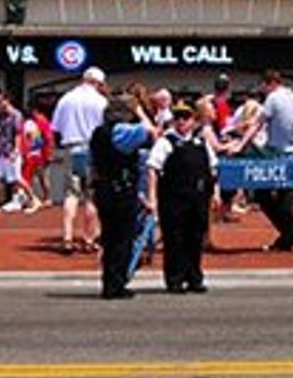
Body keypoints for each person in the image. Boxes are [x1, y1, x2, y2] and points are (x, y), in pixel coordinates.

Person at [146, 98, 216, 291]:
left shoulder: (201, 143)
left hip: (197, 199)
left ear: (194, 120)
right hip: (173, 199)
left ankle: (194, 278)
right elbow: (153, 169)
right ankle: (175, 279)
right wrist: (152, 197)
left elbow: (212, 169)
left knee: (195, 238)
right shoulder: (166, 142)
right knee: (175, 239)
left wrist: (215, 194)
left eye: (186, 117)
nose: (181, 121)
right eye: (178, 117)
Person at [87, 97, 154, 298]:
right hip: (121, 189)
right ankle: (117, 283)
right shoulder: (122, 132)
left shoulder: (98, 133)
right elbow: (150, 131)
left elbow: (91, 164)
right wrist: (140, 112)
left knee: (109, 237)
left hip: (103, 188)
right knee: (123, 237)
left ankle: (110, 281)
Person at [255, 69, 293, 251]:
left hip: (278, 153)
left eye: (263, 85)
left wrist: (243, 141)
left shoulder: (273, 98)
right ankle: (288, 236)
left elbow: (259, 122)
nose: (262, 89)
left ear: (269, 83)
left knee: (264, 195)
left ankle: (289, 231)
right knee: (284, 196)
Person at [49, 67, 108, 252]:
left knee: (71, 193)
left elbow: (56, 128)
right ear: (98, 83)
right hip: (93, 149)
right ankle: (89, 238)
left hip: (71, 147)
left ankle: (67, 237)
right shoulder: (100, 101)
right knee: (92, 194)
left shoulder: (66, 99)